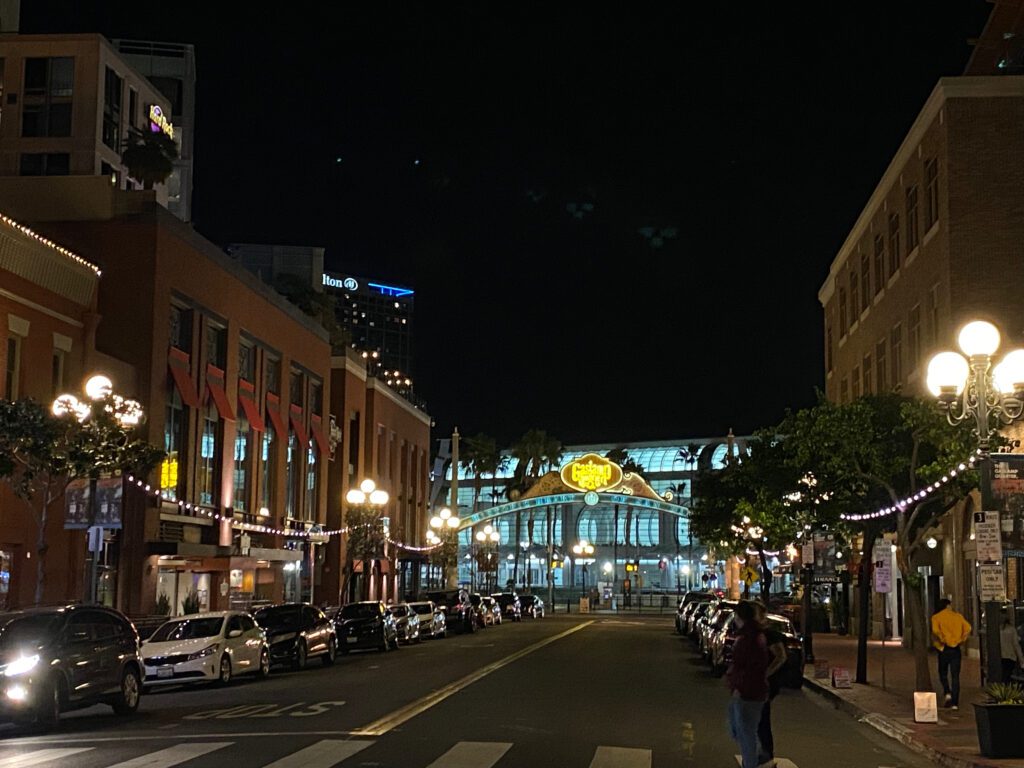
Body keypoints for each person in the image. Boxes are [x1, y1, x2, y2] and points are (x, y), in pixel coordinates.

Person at [726, 600, 770, 768]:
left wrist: (740, 687)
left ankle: (755, 760)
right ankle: (758, 756)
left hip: (748, 692)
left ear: (740, 616)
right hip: (750, 690)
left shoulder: (749, 637)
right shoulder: (750, 635)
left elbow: (750, 666)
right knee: (737, 726)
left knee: (746, 732)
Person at [753, 603, 789, 768]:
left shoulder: (770, 635)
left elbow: (780, 657)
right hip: (759, 683)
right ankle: (762, 754)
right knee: (756, 718)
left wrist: (764, 675)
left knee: (762, 718)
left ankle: (767, 756)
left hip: (766, 684)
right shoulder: (756, 634)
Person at [931, 598, 972, 710]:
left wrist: (943, 639)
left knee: (942, 673)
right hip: (956, 649)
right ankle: (955, 702)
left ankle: (947, 692)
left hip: (943, 648)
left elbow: (935, 631)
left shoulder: (936, 617)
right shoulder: (958, 617)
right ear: (947, 605)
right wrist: (961, 640)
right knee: (955, 676)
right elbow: (968, 628)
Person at [1000, 610, 1024, 683]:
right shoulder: (1011, 630)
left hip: (1000, 656)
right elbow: (1016, 645)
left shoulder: (996, 630)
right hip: (1010, 656)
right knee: (1007, 675)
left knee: (1003, 676)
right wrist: (1021, 660)